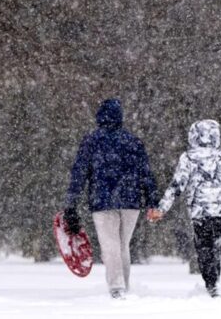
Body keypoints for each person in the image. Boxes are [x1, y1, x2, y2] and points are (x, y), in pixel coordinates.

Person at [147, 119, 221, 297]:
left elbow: (176, 186)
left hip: (200, 211)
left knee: (204, 247)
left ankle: (212, 285)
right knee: (212, 247)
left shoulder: (188, 157)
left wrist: (162, 208)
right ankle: (214, 283)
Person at [64, 98, 159, 299]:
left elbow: (79, 174)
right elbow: (146, 174)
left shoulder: (91, 141)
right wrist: (152, 202)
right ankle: (124, 285)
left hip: (102, 200)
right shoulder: (133, 141)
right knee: (123, 245)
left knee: (110, 246)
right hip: (131, 201)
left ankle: (117, 288)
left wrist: (71, 203)